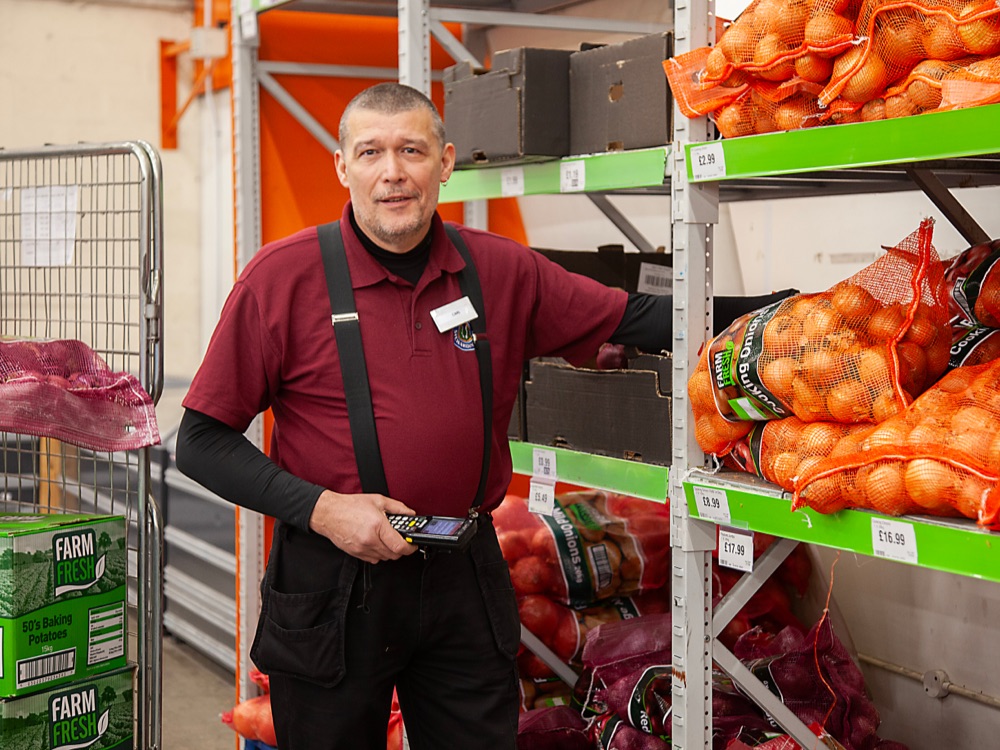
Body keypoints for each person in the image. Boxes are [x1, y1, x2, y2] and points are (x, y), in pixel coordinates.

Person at [175, 82, 792, 750]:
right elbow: (202, 441)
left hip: (462, 571)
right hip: (332, 577)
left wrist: (791, 308)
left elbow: (636, 317)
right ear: (341, 166)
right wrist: (324, 509)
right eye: (371, 152)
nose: (392, 172)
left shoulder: (497, 269)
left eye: (411, 150)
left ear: (444, 163)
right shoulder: (281, 279)